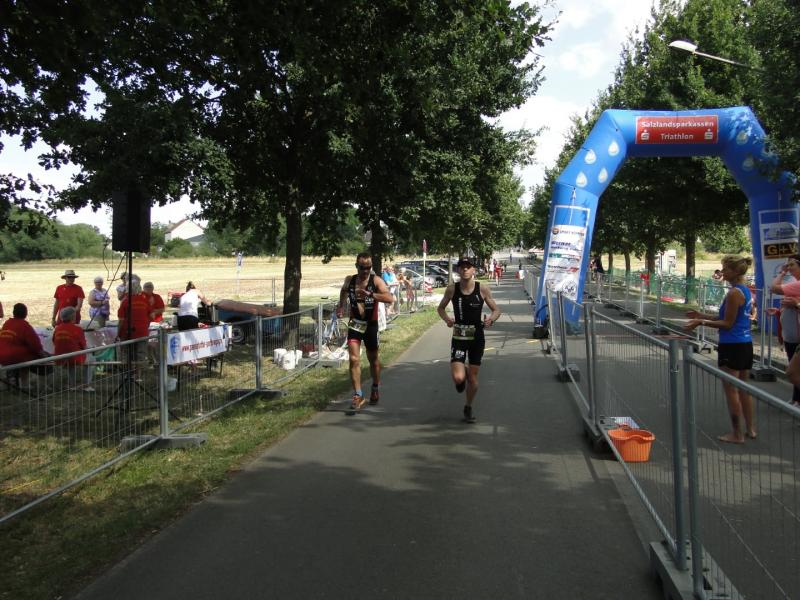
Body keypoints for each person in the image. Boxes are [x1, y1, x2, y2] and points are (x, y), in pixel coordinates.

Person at [684, 255, 756, 443]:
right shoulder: (744, 290)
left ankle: (737, 434)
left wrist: (701, 322)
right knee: (744, 388)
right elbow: (725, 317)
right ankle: (750, 429)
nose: (722, 272)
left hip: (732, 345)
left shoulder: (733, 294)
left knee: (731, 389)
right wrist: (701, 315)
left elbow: (727, 323)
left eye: (725, 269)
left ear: (735, 271)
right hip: (745, 343)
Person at [437, 256, 502, 424]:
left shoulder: (482, 288)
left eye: (468, 267)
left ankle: (468, 406)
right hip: (459, 335)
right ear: (458, 270)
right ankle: (462, 370)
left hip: (477, 337)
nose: (465, 269)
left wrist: (491, 320)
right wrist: (448, 320)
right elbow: (441, 308)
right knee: (459, 379)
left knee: (473, 380)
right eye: (462, 267)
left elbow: (496, 310)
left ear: (474, 270)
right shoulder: (452, 289)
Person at [336, 252, 394, 411]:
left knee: (373, 359)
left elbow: (390, 298)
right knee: (354, 359)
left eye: (368, 267)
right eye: (362, 267)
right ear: (357, 266)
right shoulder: (350, 280)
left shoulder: (376, 281)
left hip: (371, 325)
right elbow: (343, 291)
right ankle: (358, 394)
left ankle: (375, 387)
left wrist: (371, 294)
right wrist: (341, 305)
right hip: (355, 324)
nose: (366, 271)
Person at [768, 254, 800, 406]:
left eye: (791, 264)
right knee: (794, 370)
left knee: (793, 371)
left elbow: (773, 287)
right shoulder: (795, 283)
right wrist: (778, 311)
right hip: (790, 335)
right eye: (787, 265)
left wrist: (782, 272)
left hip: (795, 336)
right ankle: (796, 399)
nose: (788, 267)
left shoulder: (797, 285)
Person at [0, 303, 50, 387]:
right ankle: (42, 386)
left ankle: (22, 384)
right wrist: (45, 356)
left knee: (25, 359)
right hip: (14, 357)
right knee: (43, 361)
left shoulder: (7, 323)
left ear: (13, 313)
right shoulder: (25, 326)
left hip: (2, 356)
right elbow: (36, 345)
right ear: (25, 314)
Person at [53, 306, 95, 392]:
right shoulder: (77, 329)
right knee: (91, 358)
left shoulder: (57, 329)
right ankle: (87, 385)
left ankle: (72, 384)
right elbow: (84, 346)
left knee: (71, 359)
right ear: (72, 317)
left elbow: (54, 341)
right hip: (73, 358)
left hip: (59, 358)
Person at [118, 279, 151, 376]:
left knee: (127, 353)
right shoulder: (144, 300)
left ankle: (128, 374)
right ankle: (138, 375)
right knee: (141, 353)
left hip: (128, 332)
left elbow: (121, 320)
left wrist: (118, 333)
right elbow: (151, 315)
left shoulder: (126, 301)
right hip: (143, 331)